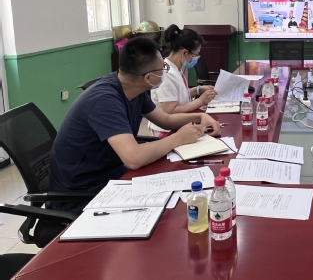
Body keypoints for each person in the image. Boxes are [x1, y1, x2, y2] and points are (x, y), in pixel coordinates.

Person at [49, 37, 220, 210]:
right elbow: (134, 158)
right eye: (163, 68)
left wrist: (200, 118)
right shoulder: (105, 101)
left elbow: (166, 120)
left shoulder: (133, 89)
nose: (164, 72)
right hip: (83, 192)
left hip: (112, 174)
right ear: (149, 78)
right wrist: (178, 138)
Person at [149, 25, 218, 138]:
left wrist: (198, 90)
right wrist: (201, 101)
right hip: (166, 132)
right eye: (196, 54)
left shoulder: (175, 68)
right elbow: (170, 111)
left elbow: (178, 95)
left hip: (178, 124)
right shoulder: (167, 73)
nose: (197, 58)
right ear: (185, 53)